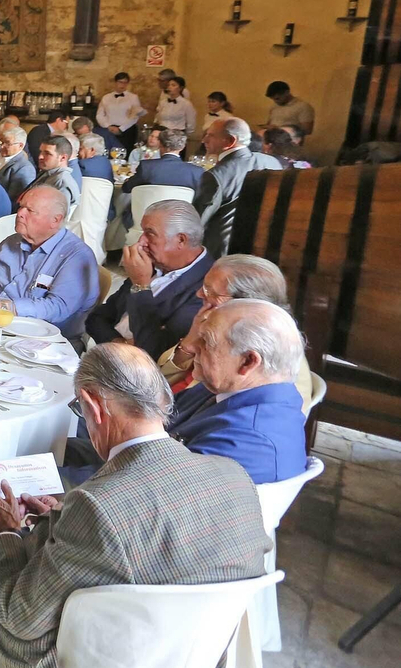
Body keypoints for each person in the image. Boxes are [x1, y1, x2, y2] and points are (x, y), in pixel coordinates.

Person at [0, 343, 271, 668]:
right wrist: (63, 518)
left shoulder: (97, 508)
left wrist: (7, 531)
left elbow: (18, 617)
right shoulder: (235, 477)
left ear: (93, 406)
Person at [166, 300, 309, 482]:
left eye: (206, 341)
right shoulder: (228, 388)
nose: (192, 346)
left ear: (248, 361)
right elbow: (159, 411)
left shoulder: (249, 443)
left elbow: (159, 488)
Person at [159, 255, 313, 406]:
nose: (199, 294)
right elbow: (161, 377)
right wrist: (189, 343)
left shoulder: (272, 360)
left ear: (243, 302)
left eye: (209, 290)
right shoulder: (216, 328)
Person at [86, 200, 211, 358]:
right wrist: (120, 345)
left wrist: (141, 286)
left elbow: (154, 352)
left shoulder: (208, 286)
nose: (141, 242)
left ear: (181, 240)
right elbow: (97, 318)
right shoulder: (152, 264)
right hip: (111, 359)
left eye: (150, 233)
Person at [0, 187, 99, 339]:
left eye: (30, 210)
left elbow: (57, 307)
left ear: (55, 220)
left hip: (38, 341)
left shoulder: (76, 257)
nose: (20, 213)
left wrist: (5, 307)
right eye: (21, 207)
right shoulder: (12, 242)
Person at [192, 117, 282, 255]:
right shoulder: (272, 162)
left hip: (222, 250)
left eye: (210, 135)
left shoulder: (216, 175)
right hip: (263, 247)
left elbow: (198, 221)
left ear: (230, 141)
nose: (204, 140)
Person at [96, 72, 145, 150]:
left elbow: (134, 116)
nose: (122, 85)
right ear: (115, 83)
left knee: (125, 152)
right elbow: (100, 114)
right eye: (120, 82)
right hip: (109, 129)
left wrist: (121, 128)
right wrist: (107, 126)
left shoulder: (133, 97)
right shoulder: (106, 97)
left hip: (126, 130)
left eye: (125, 83)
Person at [0, 124, 36, 206]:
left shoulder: (24, 168)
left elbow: (14, 200)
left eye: (7, 143)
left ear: (20, 145)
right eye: (1, 142)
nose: (2, 146)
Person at [32, 135, 81, 210]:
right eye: (41, 152)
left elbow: (57, 216)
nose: (40, 157)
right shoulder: (48, 173)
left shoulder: (61, 182)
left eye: (47, 153)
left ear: (63, 158)